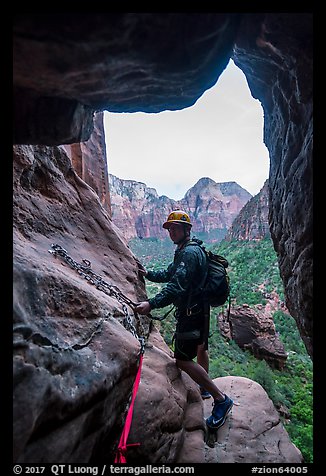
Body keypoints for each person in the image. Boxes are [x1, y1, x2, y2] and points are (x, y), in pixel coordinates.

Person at [135, 210, 233, 430]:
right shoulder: (188, 250)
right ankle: (205, 389)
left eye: (175, 227)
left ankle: (221, 399)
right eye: (169, 228)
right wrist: (148, 274)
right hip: (202, 310)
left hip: (192, 314)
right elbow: (171, 273)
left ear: (187, 230)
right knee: (201, 349)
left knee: (181, 360)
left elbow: (175, 286)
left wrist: (151, 303)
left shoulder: (189, 253)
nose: (171, 231)